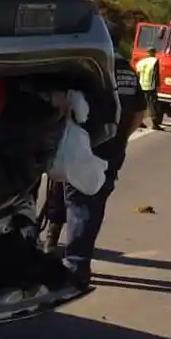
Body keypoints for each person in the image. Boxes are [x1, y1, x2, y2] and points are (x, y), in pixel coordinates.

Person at [42, 51, 146, 289]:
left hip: (83, 147)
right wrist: (120, 139)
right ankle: (71, 256)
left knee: (79, 203)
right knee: (93, 203)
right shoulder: (126, 70)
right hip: (113, 149)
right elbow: (139, 112)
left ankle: (75, 265)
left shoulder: (87, 70)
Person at [133, 47, 163, 131]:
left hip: (141, 86)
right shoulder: (154, 61)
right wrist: (158, 85)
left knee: (141, 105)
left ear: (147, 53)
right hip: (150, 86)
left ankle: (139, 122)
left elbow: (137, 74)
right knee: (152, 106)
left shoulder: (141, 62)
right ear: (154, 53)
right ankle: (155, 124)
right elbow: (156, 74)